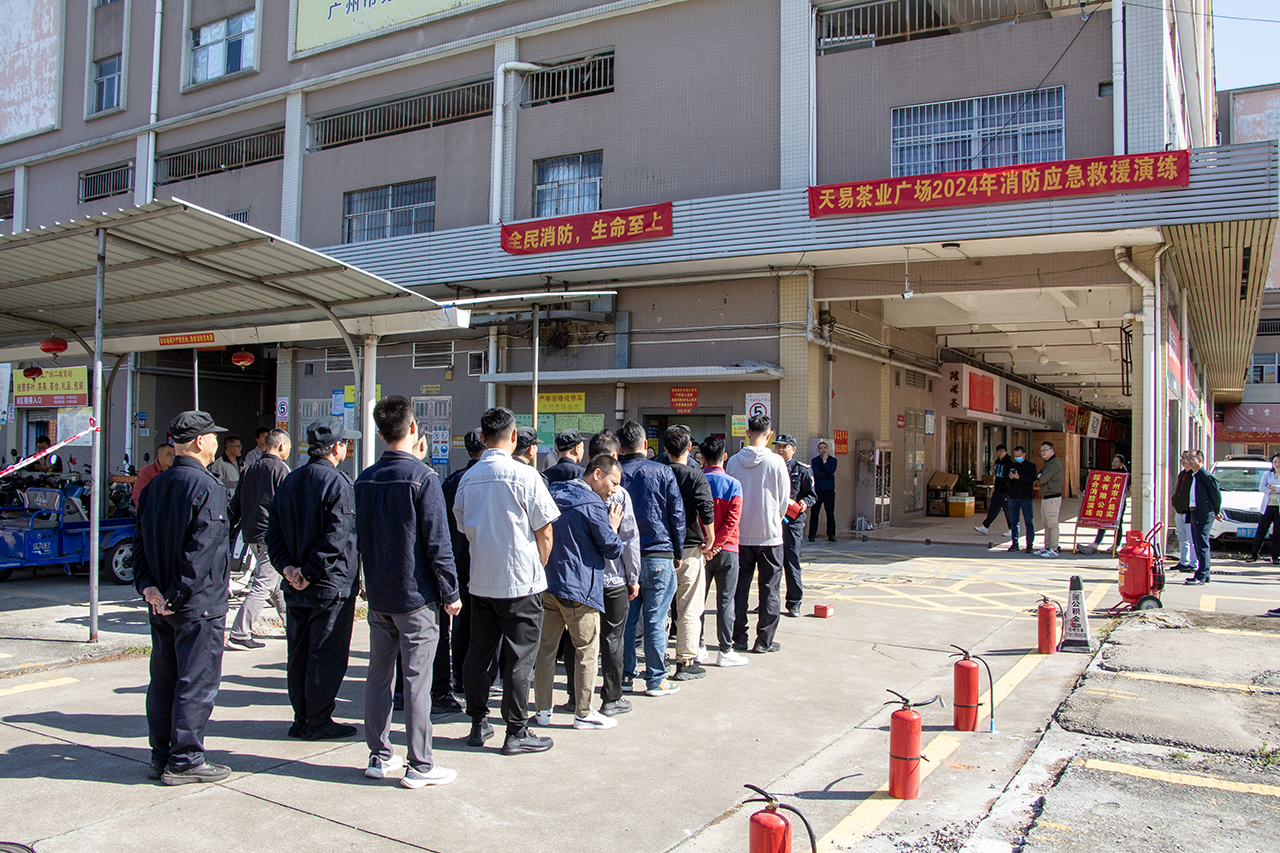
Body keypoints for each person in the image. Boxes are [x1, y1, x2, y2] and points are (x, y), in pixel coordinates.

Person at [356, 396, 461, 788]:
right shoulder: (424, 478)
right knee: (417, 679)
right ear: (414, 428)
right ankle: (420, 763)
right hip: (416, 596)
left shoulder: (363, 479)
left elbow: (360, 538)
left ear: (380, 433)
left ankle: (379, 755)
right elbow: (438, 542)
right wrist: (450, 591)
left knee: (379, 676)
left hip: (380, 594)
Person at [453, 407, 560, 756]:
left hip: (481, 579)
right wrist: (538, 564)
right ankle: (516, 730)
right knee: (520, 657)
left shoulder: (468, 478)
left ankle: (477, 722)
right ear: (514, 436)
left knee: (478, 653)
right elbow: (545, 531)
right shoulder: (525, 476)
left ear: (483, 438)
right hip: (520, 581)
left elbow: (463, 527)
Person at [133, 411, 232, 785]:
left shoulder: (156, 485)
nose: (216, 442)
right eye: (213, 436)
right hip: (196, 604)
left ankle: (161, 755)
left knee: (163, 680)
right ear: (201, 441)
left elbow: (140, 542)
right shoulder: (208, 487)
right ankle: (186, 759)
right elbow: (202, 551)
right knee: (196, 681)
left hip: (162, 602)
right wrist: (175, 594)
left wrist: (150, 588)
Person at [265, 417, 361, 741]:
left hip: (297, 584)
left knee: (299, 653)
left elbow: (273, 533)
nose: (346, 448)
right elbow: (337, 537)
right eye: (345, 443)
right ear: (336, 448)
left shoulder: (290, 480)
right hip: (329, 585)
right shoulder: (339, 484)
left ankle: (302, 718)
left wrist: (288, 569)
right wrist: (308, 572)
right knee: (326, 654)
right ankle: (318, 720)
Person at [533, 455, 625, 730]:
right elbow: (611, 547)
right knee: (586, 650)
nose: (614, 490)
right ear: (597, 474)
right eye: (613, 482)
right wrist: (614, 528)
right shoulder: (592, 504)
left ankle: (542, 711)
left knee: (545, 650)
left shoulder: (552, 492)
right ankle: (584, 712)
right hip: (579, 588)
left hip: (548, 584)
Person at [617, 420, 685, 697]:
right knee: (656, 619)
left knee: (627, 620)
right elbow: (676, 515)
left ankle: (625, 675)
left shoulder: (615, 473)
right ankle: (656, 679)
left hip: (624, 557)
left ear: (620, 448)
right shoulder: (662, 471)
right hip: (659, 553)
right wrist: (677, 552)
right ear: (645, 445)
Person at [584, 430, 640, 716]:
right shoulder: (619, 495)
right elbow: (629, 540)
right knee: (612, 639)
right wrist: (633, 577)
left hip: (583, 579)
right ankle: (611, 697)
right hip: (613, 578)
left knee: (580, 641)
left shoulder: (577, 490)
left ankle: (577, 697)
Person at [726, 415, 790, 654]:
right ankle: (764, 640)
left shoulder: (733, 462)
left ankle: (739, 637)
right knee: (770, 587)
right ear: (769, 434)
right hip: (769, 534)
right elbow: (784, 500)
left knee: (739, 588)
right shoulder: (776, 462)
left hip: (739, 535)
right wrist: (773, 518)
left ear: (747, 432)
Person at [435, 428, 486, 711]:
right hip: (481, 559)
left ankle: (458, 677)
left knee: (461, 623)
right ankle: (477, 678)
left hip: (456, 559)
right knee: (483, 623)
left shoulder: (452, 480)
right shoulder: (483, 478)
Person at [226, 429, 290, 650]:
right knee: (263, 584)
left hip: (251, 534)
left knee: (275, 583)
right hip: (271, 535)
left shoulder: (249, 469)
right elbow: (286, 505)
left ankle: (291, 625)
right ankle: (240, 632)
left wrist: (227, 528)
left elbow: (236, 504)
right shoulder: (281, 470)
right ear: (281, 446)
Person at [663, 426, 715, 681]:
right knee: (689, 607)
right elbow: (706, 508)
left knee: (660, 607)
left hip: (660, 549)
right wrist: (711, 537)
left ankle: (658, 659)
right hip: (690, 548)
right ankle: (685, 661)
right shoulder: (696, 475)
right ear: (689, 448)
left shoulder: (658, 473)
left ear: (665, 449)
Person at [699, 436, 746, 668]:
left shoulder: (696, 481)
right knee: (726, 601)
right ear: (724, 457)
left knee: (697, 601)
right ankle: (725, 650)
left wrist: (707, 544)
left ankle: (697, 646)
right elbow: (733, 519)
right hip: (728, 550)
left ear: (701, 458)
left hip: (700, 549)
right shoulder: (734, 484)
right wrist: (718, 543)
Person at [774, 434, 815, 618]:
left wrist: (805, 502)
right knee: (770, 564)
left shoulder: (801, 470)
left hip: (792, 521)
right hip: (773, 521)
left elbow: (811, 494)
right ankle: (768, 601)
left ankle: (794, 602)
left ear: (793, 449)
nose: (780, 450)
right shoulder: (770, 467)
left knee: (791, 561)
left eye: (785, 447)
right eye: (778, 446)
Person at [1181, 450, 1223, 586]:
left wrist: (1216, 511)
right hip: (1194, 512)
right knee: (1197, 543)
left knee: (1202, 544)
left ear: (1199, 460)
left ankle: (1202, 575)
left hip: (1204, 513)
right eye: (1187, 458)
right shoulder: (1194, 476)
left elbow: (1216, 496)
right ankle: (1204, 574)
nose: (1188, 461)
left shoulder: (1206, 476)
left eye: (1191, 458)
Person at [1244, 454, 1280, 564]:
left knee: (1278, 533)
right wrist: (1274, 490)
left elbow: (1270, 487)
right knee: (1261, 531)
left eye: (1279, 462)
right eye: (1275, 462)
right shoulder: (1267, 474)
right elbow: (1262, 487)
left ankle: (1276, 556)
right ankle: (1254, 555)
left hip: (1278, 508)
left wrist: (1274, 488)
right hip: (1267, 507)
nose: (1277, 464)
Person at [1089, 454, 1130, 551]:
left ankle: (1116, 544)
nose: (1114, 464)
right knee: (1103, 519)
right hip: (1108, 501)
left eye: (1117, 462)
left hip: (1119, 502)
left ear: (1121, 463)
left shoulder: (1125, 474)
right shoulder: (1110, 472)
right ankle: (1097, 542)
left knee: (1118, 523)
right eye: (1113, 461)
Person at [1171, 452, 1200, 574]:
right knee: (1182, 538)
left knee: (1192, 539)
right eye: (1182, 458)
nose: (1184, 461)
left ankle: (1194, 563)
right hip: (1179, 510)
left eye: (1187, 458)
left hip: (1190, 511)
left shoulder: (1194, 475)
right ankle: (1183, 561)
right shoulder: (1182, 474)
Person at [975, 445, 1012, 537]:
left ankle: (1012, 529)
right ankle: (985, 526)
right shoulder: (997, 462)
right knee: (993, 509)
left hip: (1006, 490)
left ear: (1006, 451)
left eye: (1001, 451)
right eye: (998, 451)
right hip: (998, 490)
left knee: (1008, 511)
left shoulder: (1009, 463)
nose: (1000, 452)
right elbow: (996, 476)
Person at [1005, 446, 1038, 553]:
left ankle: (1029, 544)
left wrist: (1019, 477)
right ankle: (1015, 543)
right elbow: (1006, 480)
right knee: (1014, 521)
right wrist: (1010, 477)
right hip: (1013, 496)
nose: (1017, 458)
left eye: (1019, 455)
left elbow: (1032, 478)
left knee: (1028, 521)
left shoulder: (1031, 466)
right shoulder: (1012, 466)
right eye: (1016, 456)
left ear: (1024, 454)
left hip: (1025, 497)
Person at [1035, 441, 1063, 558]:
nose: (1043, 452)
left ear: (1052, 451)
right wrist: (1040, 476)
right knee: (1046, 523)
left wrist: (1040, 477)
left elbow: (1042, 479)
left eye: (1045, 450)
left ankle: (1054, 548)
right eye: (1041, 450)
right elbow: (1039, 475)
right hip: (1046, 497)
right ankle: (1047, 547)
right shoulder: (1048, 463)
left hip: (1052, 497)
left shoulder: (1053, 463)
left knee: (1052, 524)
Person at [808, 441, 838, 543]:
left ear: (828, 449)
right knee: (814, 513)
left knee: (830, 513)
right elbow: (816, 474)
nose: (823, 450)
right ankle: (812, 534)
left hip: (829, 490)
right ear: (818, 450)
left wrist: (825, 462)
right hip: (817, 491)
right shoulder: (815, 461)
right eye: (821, 448)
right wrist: (828, 473)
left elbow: (830, 473)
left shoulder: (833, 460)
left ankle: (831, 534)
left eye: (825, 448)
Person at [133, 444, 175, 509]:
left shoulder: (176, 471)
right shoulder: (146, 471)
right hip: (152, 511)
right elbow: (139, 495)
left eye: (174, 455)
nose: (172, 457)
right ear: (159, 456)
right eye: (168, 454)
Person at [209, 435, 242, 501]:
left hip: (241, 501)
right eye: (238, 446)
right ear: (229, 448)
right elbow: (217, 485)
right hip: (228, 502)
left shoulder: (242, 464)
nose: (240, 449)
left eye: (240, 446)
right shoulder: (219, 464)